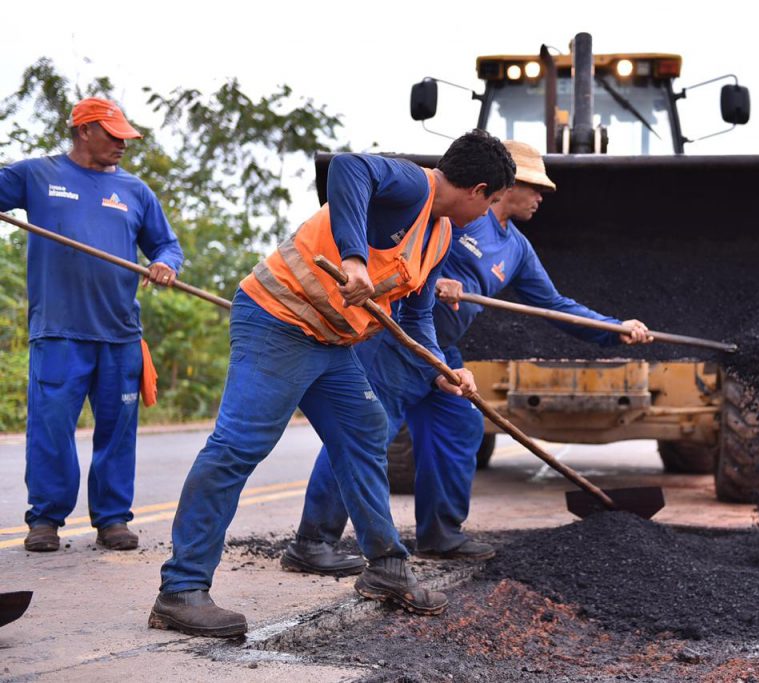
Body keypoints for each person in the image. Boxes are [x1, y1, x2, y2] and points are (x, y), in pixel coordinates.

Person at [149, 130, 515, 637]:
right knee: (238, 446)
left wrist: (442, 369)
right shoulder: (412, 186)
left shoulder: (440, 234)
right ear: (477, 190)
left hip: (329, 344)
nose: (488, 214)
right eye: (492, 201)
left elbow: (418, 313)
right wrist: (354, 258)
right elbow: (347, 167)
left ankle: (387, 567)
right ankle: (181, 590)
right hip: (277, 322)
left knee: (366, 430)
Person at [286, 140, 651, 573]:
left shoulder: (515, 248)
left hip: (441, 350)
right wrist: (435, 277)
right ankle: (313, 541)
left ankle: (440, 534)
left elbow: (554, 304)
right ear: (502, 186)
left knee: (459, 423)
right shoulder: (456, 214)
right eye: (536, 188)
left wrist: (614, 330)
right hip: (395, 340)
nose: (540, 198)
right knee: (365, 436)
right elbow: (406, 242)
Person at [0, 97, 183, 553]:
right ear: (84, 130)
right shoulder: (37, 175)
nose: (123, 144)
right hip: (59, 331)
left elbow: (167, 246)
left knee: (118, 432)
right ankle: (45, 520)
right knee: (51, 428)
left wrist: (163, 264)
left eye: (125, 136)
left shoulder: (136, 191)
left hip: (119, 333)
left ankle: (112, 519)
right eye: (114, 134)